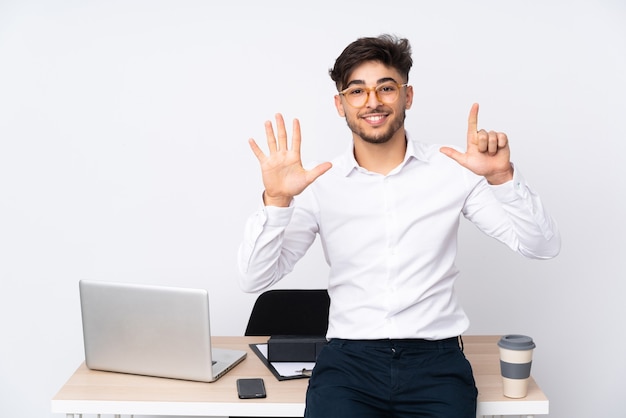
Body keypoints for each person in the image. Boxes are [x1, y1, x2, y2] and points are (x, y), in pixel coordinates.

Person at [238, 34, 560, 418]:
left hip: (436, 363)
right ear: (340, 105)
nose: (372, 101)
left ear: (407, 97)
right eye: (357, 91)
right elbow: (254, 279)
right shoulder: (318, 183)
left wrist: (503, 178)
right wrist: (277, 202)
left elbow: (542, 246)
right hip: (348, 363)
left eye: (386, 87)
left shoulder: (454, 170)